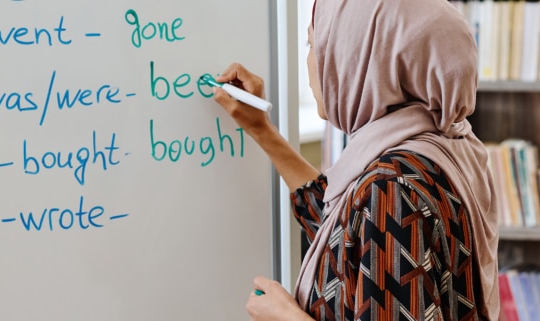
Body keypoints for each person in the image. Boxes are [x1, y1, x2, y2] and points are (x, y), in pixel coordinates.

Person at [211, 0, 500, 320]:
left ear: (357, 61)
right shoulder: (444, 143)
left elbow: (372, 219)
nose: (309, 62)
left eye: (313, 44)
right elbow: (350, 232)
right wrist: (262, 131)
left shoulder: (391, 187)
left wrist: (286, 317)